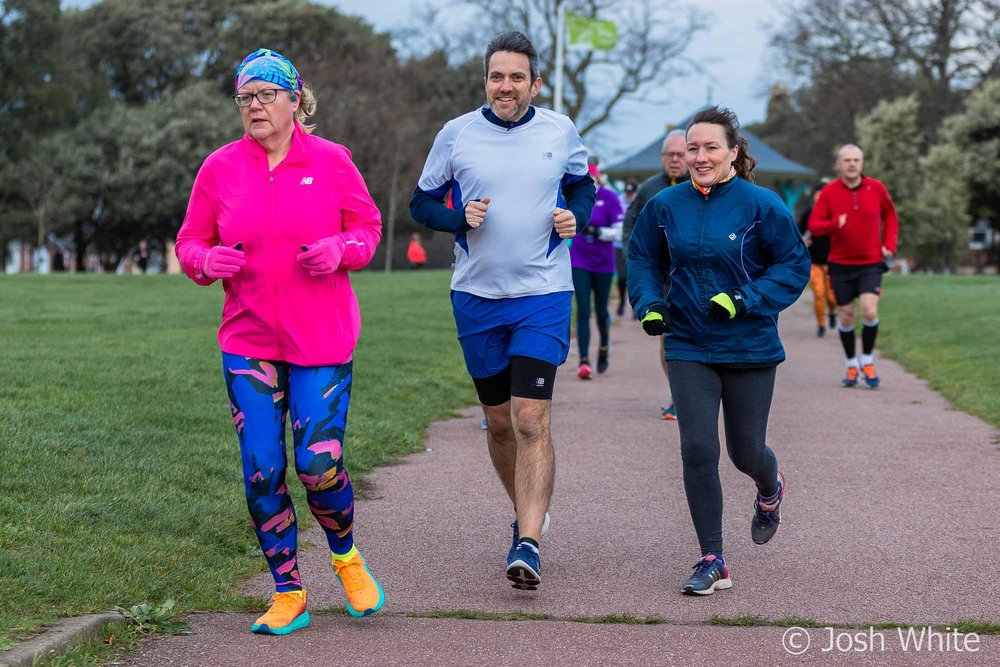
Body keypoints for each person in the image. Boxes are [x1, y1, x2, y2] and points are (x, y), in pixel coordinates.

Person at [175, 48, 385, 635]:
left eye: (267, 95)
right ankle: (288, 591)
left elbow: (367, 228)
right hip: (248, 343)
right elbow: (189, 241)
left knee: (319, 465)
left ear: (296, 100)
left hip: (320, 338)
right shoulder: (219, 168)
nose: (256, 107)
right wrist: (205, 261)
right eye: (246, 98)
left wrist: (340, 251)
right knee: (263, 471)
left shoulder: (333, 161)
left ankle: (346, 558)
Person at [409, 30, 594, 591]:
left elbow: (581, 186)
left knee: (530, 417)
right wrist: (459, 217)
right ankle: (526, 512)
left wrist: (575, 219)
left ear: (534, 82)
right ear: (485, 80)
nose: (505, 86)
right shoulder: (456, 134)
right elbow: (421, 203)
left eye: (516, 77)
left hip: (542, 292)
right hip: (476, 297)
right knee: (496, 423)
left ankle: (529, 542)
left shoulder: (559, 129)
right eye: (496, 76)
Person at [627, 106, 809, 596]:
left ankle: (769, 488)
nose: (700, 156)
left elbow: (792, 267)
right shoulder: (665, 206)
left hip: (749, 345)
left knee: (745, 452)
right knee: (697, 450)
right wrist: (648, 303)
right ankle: (713, 558)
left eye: (710, 147)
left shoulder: (762, 204)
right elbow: (643, 257)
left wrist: (743, 299)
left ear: (733, 151)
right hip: (688, 343)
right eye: (693, 148)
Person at [808, 144, 898, 388]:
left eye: (856, 160)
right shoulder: (828, 192)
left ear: (862, 163)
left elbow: (891, 215)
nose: (851, 164)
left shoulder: (876, 188)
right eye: (846, 159)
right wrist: (835, 223)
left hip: (871, 262)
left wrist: (889, 243)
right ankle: (851, 364)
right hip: (840, 264)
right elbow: (815, 226)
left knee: (869, 310)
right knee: (846, 316)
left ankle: (867, 361)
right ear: (838, 164)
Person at [622, 129, 690, 421]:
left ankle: (700, 392)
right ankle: (678, 395)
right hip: (660, 275)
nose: (675, 160)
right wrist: (634, 258)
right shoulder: (650, 188)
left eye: (680, 154)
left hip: (692, 272)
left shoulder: (703, 185)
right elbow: (631, 224)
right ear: (662, 157)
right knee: (668, 336)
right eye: (669, 155)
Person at [572, 164, 623, 379]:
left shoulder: (609, 197)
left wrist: (599, 231)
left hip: (603, 261)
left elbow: (619, 231)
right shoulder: (575, 197)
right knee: (583, 308)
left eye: (592, 177)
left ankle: (603, 347)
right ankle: (583, 360)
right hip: (579, 260)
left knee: (601, 310)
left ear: (598, 178)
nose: (589, 181)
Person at [797, 181, 836, 337]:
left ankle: (832, 312)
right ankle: (821, 325)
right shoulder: (808, 214)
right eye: (818, 193)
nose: (820, 196)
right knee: (819, 294)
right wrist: (804, 241)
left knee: (832, 297)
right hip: (813, 262)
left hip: (832, 262)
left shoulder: (833, 214)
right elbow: (798, 234)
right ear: (814, 195)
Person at [614, 180, 639, 318]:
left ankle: (635, 305)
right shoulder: (618, 200)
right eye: (627, 194)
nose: (629, 197)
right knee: (622, 277)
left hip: (635, 245)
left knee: (633, 276)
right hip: (618, 244)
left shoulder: (639, 201)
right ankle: (622, 301)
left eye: (631, 194)